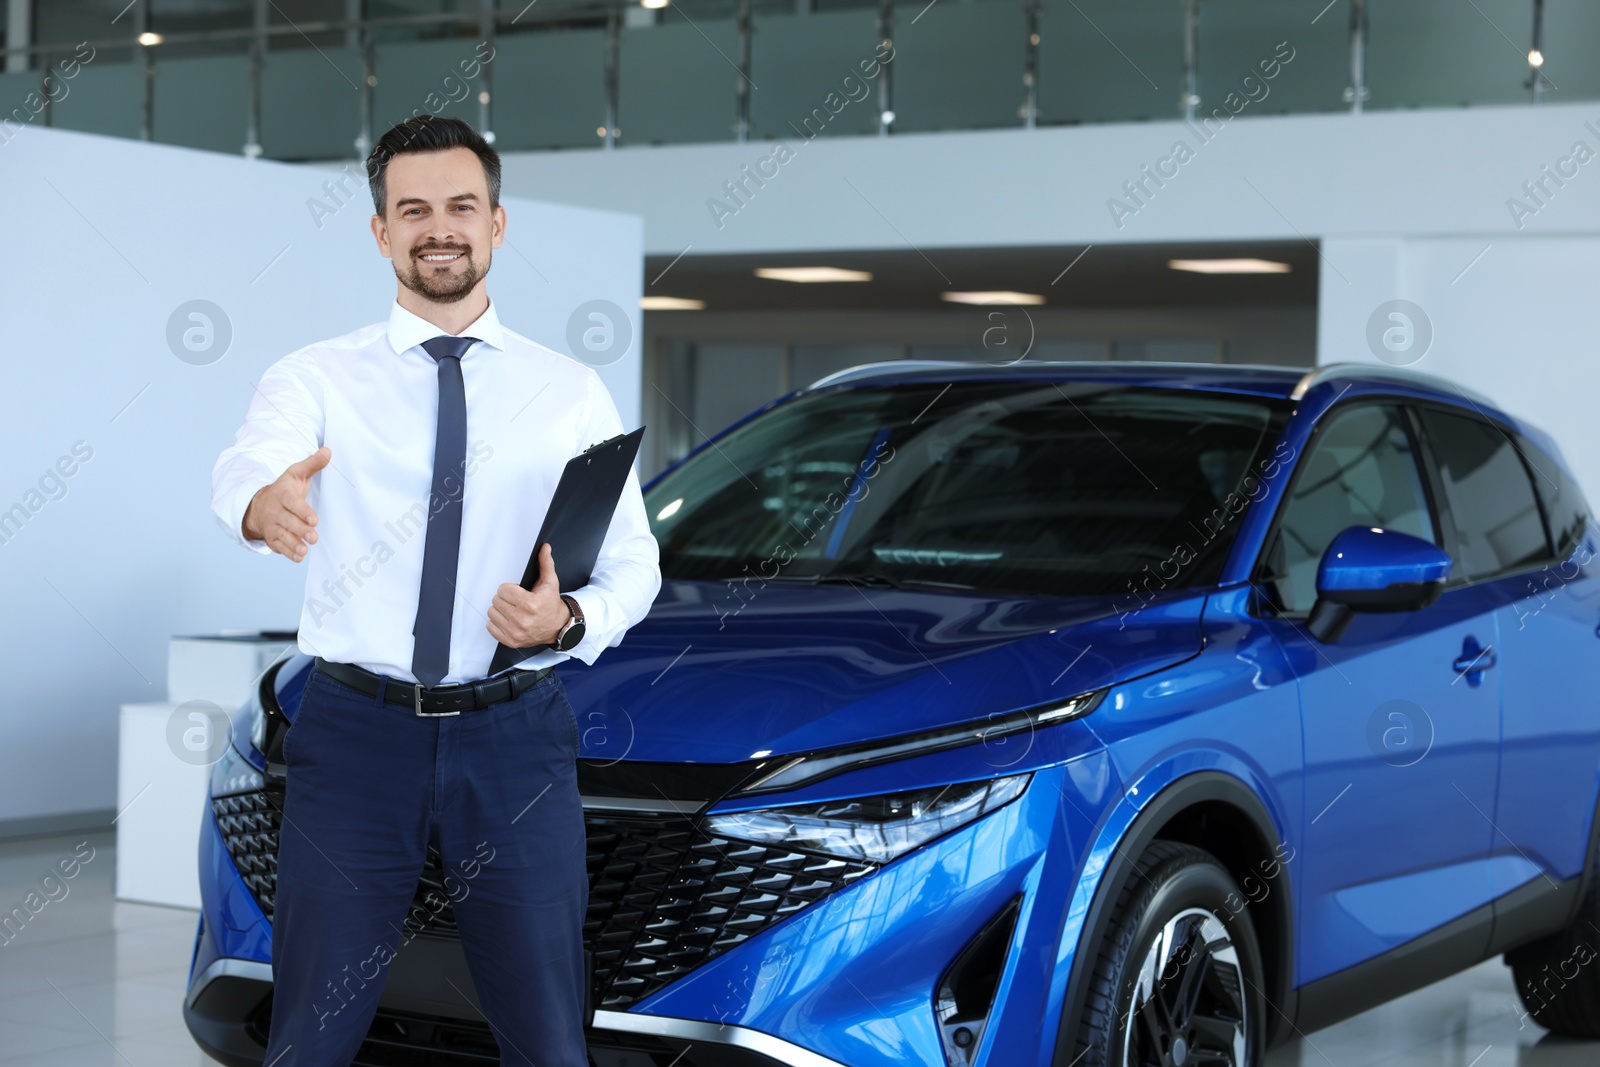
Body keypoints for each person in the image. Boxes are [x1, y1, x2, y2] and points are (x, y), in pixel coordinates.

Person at [209, 113, 660, 1067]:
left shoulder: (569, 389)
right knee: (312, 1031)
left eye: (461, 205)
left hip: (515, 735)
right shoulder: (316, 377)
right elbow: (247, 466)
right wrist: (263, 505)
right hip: (355, 735)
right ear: (382, 231)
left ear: (498, 223)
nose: (439, 226)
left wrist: (568, 618)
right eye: (413, 209)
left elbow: (634, 561)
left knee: (544, 1028)